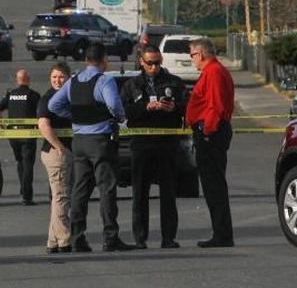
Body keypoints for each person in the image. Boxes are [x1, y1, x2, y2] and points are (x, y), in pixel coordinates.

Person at [48, 43, 135, 252]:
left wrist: (75, 117)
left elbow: (53, 105)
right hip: (100, 140)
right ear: (104, 59)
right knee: (107, 188)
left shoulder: (73, 81)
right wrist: (121, 117)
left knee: (80, 190)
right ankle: (110, 237)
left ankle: (77, 238)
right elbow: (114, 105)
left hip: (79, 141)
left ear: (86, 60)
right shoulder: (104, 80)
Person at [121, 46, 186, 249]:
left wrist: (174, 108)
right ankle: (140, 238)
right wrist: (145, 107)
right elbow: (124, 112)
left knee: (168, 192)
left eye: (157, 62)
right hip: (141, 144)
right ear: (141, 61)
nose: (154, 67)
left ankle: (168, 237)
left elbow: (187, 106)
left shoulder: (173, 82)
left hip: (167, 143)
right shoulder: (132, 85)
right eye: (150, 63)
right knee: (140, 192)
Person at [185, 37, 235, 248]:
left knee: (214, 185)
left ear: (202, 54)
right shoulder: (212, 72)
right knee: (212, 185)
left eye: (192, 55)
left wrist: (207, 130)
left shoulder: (213, 72)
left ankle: (222, 233)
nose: (192, 60)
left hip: (211, 132)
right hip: (210, 131)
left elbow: (215, 105)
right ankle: (220, 231)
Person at [37, 62, 74, 254]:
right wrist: (59, 146)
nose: (57, 81)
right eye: (54, 77)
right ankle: (64, 240)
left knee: (58, 198)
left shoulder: (69, 96)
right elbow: (43, 124)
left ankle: (53, 241)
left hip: (64, 151)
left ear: (69, 77)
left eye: (61, 77)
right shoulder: (48, 98)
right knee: (61, 197)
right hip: (56, 154)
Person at [0, 69, 41, 205]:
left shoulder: (11, 94)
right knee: (28, 164)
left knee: (20, 162)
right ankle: (27, 196)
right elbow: (41, 111)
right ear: (28, 79)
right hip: (28, 134)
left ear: (17, 80)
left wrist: (1, 126)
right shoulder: (33, 95)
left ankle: (23, 190)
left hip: (13, 134)